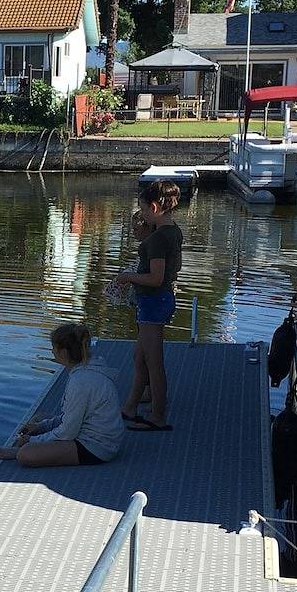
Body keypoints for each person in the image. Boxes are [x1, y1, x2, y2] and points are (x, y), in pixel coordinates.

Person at [0, 323, 124, 466]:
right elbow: (73, 418)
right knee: (39, 419)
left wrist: (32, 441)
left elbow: (68, 433)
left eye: (54, 348)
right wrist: (41, 427)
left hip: (97, 447)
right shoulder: (88, 367)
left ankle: (17, 451)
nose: (52, 351)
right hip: (94, 434)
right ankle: (29, 441)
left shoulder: (81, 382)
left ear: (64, 353)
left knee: (25, 454)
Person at [116, 180, 183, 431]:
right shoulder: (173, 231)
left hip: (153, 301)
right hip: (161, 299)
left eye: (143, 210)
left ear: (154, 207)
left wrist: (127, 277)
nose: (141, 215)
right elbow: (171, 269)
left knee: (153, 362)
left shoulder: (155, 241)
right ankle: (134, 403)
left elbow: (155, 278)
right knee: (140, 356)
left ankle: (157, 416)